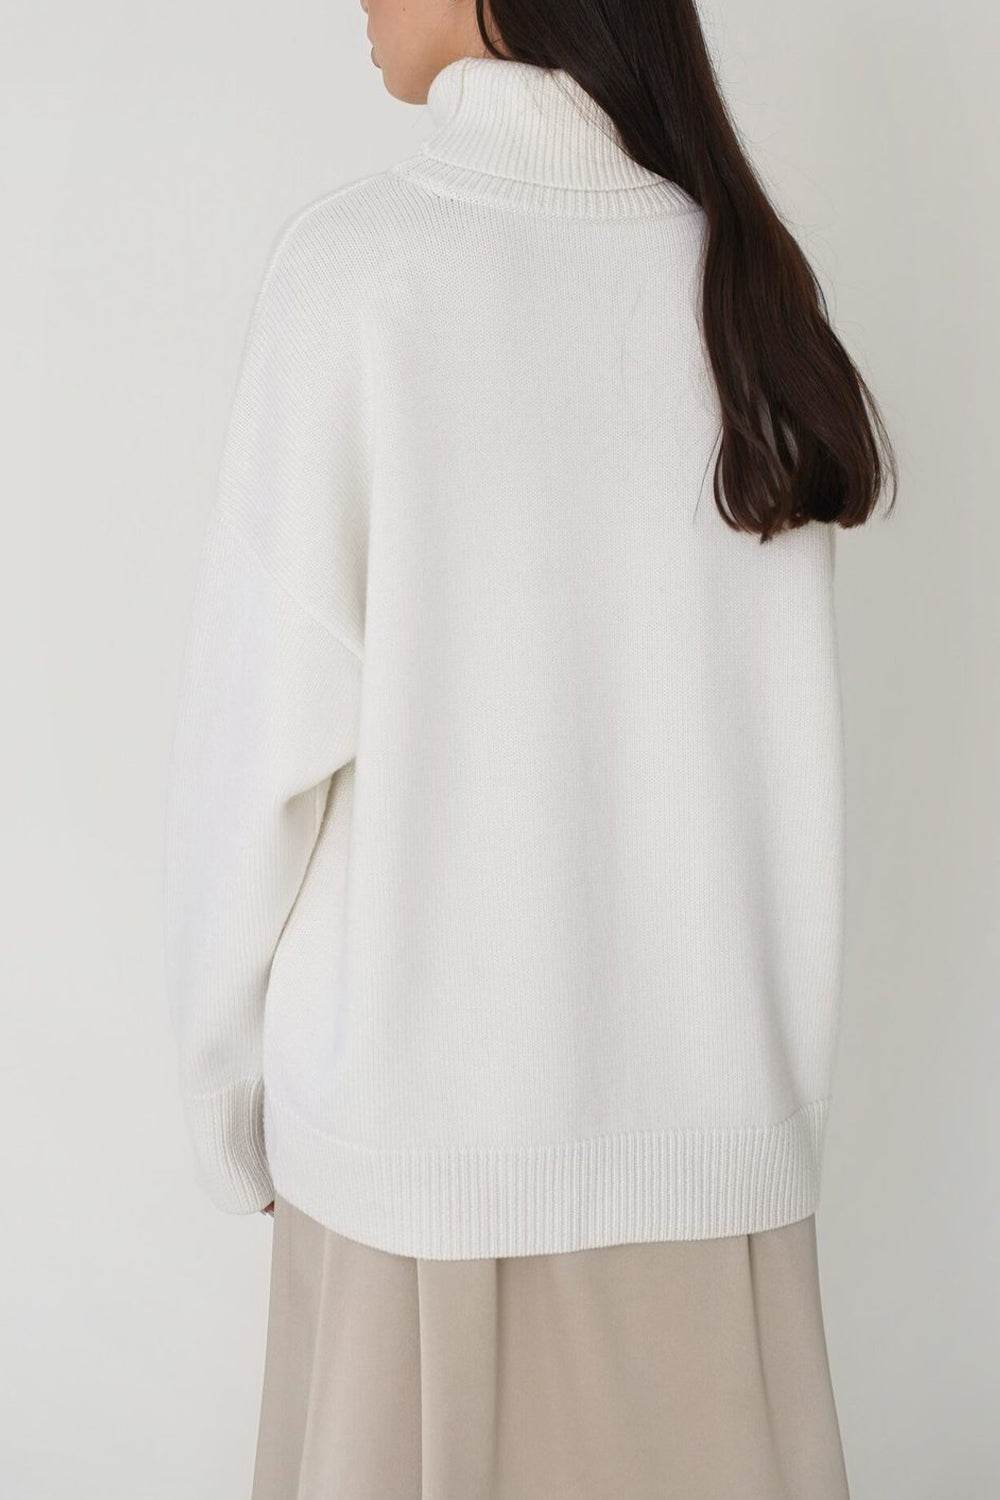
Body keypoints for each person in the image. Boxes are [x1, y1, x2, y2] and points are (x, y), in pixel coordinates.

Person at [163, 0, 895, 1494]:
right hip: (714, 1201)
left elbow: (254, 758)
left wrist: (228, 1102)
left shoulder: (362, 273)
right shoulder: (747, 294)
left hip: (413, 1188)